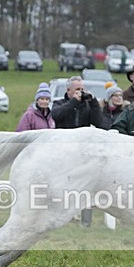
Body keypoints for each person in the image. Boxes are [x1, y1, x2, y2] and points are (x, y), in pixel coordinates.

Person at [51, 76, 102, 226]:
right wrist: (73, 102)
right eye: (77, 89)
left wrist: (93, 103)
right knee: (62, 186)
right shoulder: (59, 103)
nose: (81, 92)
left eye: (82, 89)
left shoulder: (87, 105)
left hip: (82, 153)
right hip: (63, 152)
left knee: (86, 187)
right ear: (69, 91)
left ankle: (86, 221)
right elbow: (57, 115)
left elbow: (99, 123)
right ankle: (63, 218)